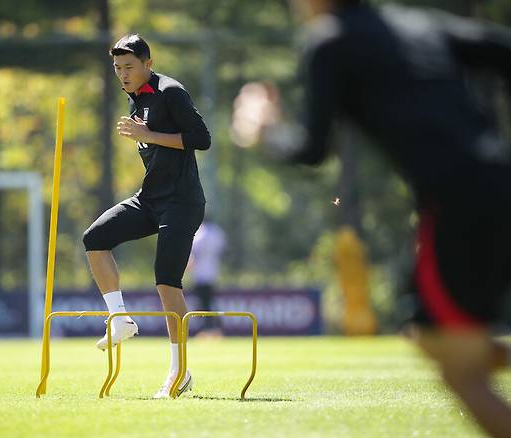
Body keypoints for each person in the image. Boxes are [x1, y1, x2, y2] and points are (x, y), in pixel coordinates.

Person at [237, 0, 511, 435]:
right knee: (435, 337)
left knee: (456, 366)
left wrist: (264, 128)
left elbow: (312, 149)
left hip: (457, 200)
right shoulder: (415, 21)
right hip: (496, 181)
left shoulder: (328, 41)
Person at [82, 34, 211, 398]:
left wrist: (148, 134)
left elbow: (202, 139)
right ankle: (120, 320)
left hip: (182, 203)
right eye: (117, 68)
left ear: (148, 63)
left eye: (129, 67)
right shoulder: (135, 97)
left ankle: (180, 371)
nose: (122, 74)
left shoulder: (171, 91)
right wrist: (148, 134)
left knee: (167, 281)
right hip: (150, 198)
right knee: (95, 238)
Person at [189, 218, 226, 337]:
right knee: (208, 302)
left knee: (203, 303)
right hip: (213, 272)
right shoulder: (217, 232)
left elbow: (194, 251)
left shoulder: (200, 232)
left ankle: (209, 329)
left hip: (200, 274)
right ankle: (213, 328)